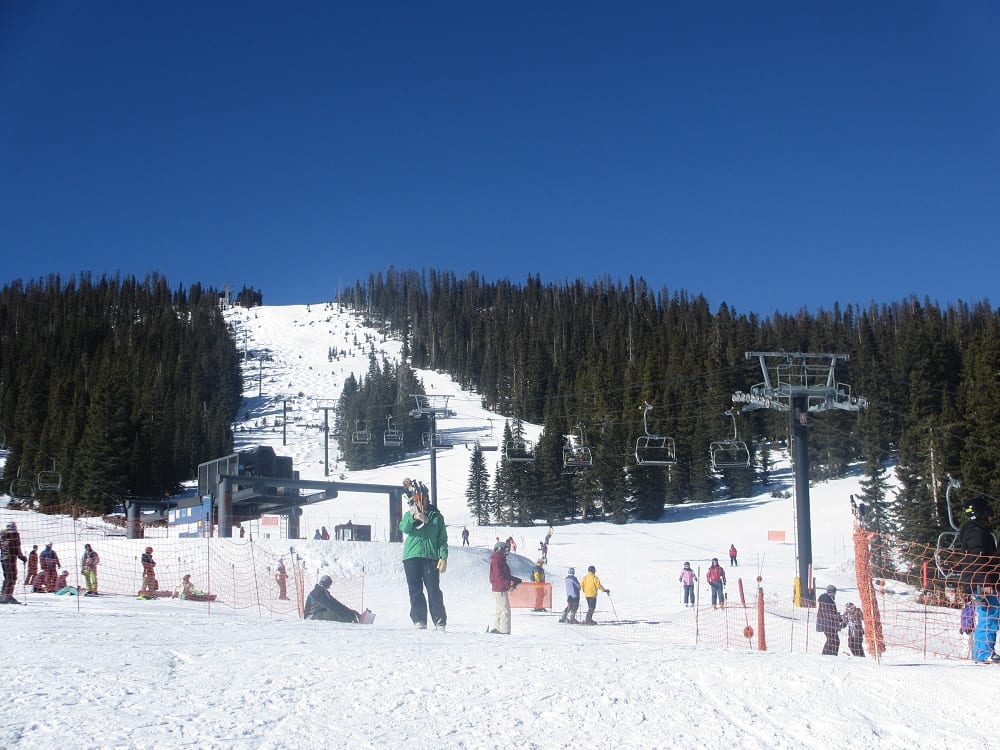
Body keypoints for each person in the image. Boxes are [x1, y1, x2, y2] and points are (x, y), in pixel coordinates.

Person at [399, 478, 448, 630]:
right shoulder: (410, 513)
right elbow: (403, 528)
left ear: (427, 498)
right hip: (412, 556)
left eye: (422, 499)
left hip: (429, 557)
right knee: (415, 590)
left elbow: (442, 539)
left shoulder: (436, 516)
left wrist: (443, 556)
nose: (420, 501)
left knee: (433, 588)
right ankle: (419, 619)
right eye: (417, 499)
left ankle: (439, 620)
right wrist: (414, 517)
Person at [958, 496, 998, 596]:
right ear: (983, 513)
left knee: (974, 609)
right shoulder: (976, 532)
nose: (991, 517)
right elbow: (977, 558)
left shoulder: (976, 530)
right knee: (990, 610)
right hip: (979, 584)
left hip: (978, 582)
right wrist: (985, 583)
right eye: (988, 513)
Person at [488, 541, 521, 634]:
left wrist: (515, 579)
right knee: (505, 610)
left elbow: (505, 575)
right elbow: (499, 577)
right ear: (500, 550)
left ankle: (498, 628)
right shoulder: (497, 561)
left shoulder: (499, 560)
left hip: (499, 587)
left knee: (500, 609)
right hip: (500, 588)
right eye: (505, 549)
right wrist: (508, 585)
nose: (507, 551)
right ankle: (504, 631)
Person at [1, 521, 28, 604]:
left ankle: (3, 595)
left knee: (7, 577)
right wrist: (22, 557)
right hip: (11, 559)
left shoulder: (2, 536)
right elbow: (17, 549)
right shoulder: (15, 536)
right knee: (12, 577)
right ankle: (7, 596)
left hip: (3, 559)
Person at [816, 584, 844, 655]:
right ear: (833, 592)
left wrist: (838, 617)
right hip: (828, 624)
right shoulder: (827, 601)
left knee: (832, 640)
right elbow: (828, 614)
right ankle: (829, 654)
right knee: (834, 640)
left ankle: (827, 654)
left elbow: (829, 613)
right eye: (835, 592)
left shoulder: (826, 600)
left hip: (827, 624)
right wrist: (839, 617)